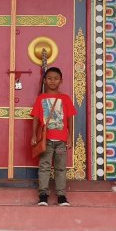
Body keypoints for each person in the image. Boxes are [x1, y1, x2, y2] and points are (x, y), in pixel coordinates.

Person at [30, 67, 77, 206]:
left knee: (60, 168)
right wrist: (33, 135)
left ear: (61, 81)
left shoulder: (65, 99)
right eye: (49, 78)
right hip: (46, 140)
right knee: (44, 166)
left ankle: (61, 196)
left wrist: (69, 136)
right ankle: (43, 195)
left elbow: (69, 119)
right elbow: (36, 118)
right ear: (44, 80)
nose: (52, 81)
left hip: (61, 140)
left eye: (56, 78)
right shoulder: (41, 98)